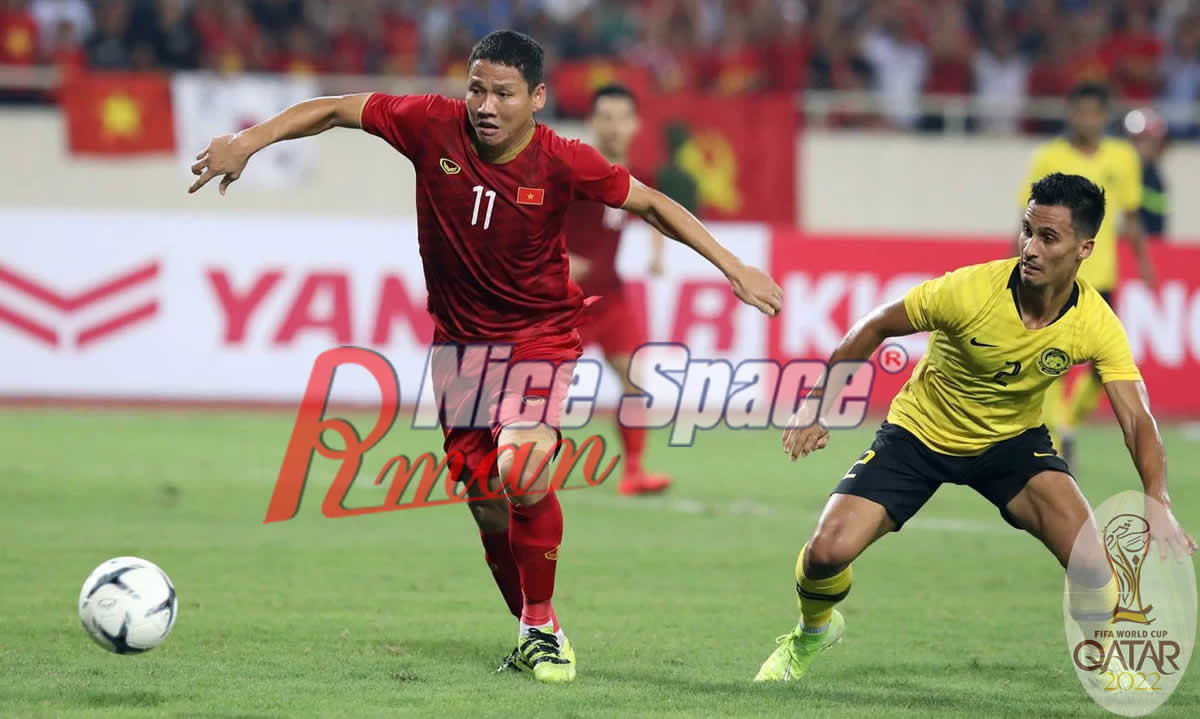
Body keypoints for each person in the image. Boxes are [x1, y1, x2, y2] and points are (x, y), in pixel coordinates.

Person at [186, 30, 783, 684]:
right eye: (477, 89)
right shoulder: (429, 124)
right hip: (460, 350)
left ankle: (542, 622)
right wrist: (246, 141)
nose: (486, 106)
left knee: (521, 468)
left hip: (537, 336)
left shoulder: (563, 160)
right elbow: (334, 108)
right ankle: (534, 628)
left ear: (537, 98)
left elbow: (652, 203)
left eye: (504, 93)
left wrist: (734, 266)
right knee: (486, 500)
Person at [755, 173, 1195, 683]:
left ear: (1085, 248)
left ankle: (1107, 658)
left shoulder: (1095, 322)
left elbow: (1136, 416)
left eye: (1048, 237)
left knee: (1092, 564)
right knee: (825, 553)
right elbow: (876, 325)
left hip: (1010, 444)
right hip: (920, 434)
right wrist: (816, 403)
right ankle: (812, 632)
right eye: (1027, 230)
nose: (1030, 247)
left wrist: (1157, 497)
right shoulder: (970, 291)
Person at [1016, 83, 1156, 466]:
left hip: (1102, 276)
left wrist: (1145, 264)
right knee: (1049, 358)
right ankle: (1056, 438)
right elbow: (1027, 219)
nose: (1085, 120)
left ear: (1104, 116)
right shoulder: (1049, 156)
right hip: (1054, 277)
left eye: (1093, 113)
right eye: (1079, 112)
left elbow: (1131, 216)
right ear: (1069, 114)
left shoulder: (1123, 157)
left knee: (1103, 366)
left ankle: (1069, 422)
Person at [566, 83, 671, 496]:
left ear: (635, 124)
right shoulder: (572, 169)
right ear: (591, 122)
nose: (614, 127)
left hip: (610, 296)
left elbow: (656, 211)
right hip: (563, 301)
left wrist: (658, 252)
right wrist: (557, 259)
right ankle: (507, 461)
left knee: (634, 380)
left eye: (622, 118)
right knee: (539, 389)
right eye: (605, 118)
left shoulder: (637, 177)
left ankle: (634, 471)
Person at [1124, 107, 1169, 241]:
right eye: (1137, 140)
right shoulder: (1130, 172)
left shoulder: (1153, 178)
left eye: (1146, 140)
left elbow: (1156, 219)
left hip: (1152, 239)